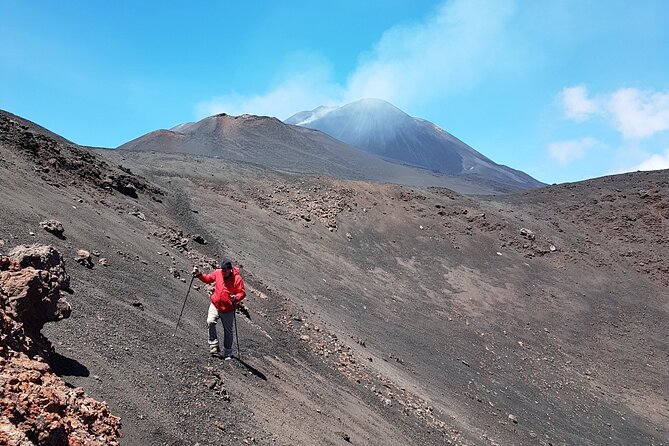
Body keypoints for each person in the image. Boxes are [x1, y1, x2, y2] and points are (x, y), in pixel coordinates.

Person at [192, 258, 246, 358]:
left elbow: (242, 293)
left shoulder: (237, 279)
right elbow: (208, 279)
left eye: (225, 270)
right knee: (210, 321)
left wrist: (236, 297)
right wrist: (199, 274)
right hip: (216, 304)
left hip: (228, 309)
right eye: (222, 269)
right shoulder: (218, 273)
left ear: (230, 269)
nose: (223, 272)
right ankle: (213, 345)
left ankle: (228, 351)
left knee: (228, 331)